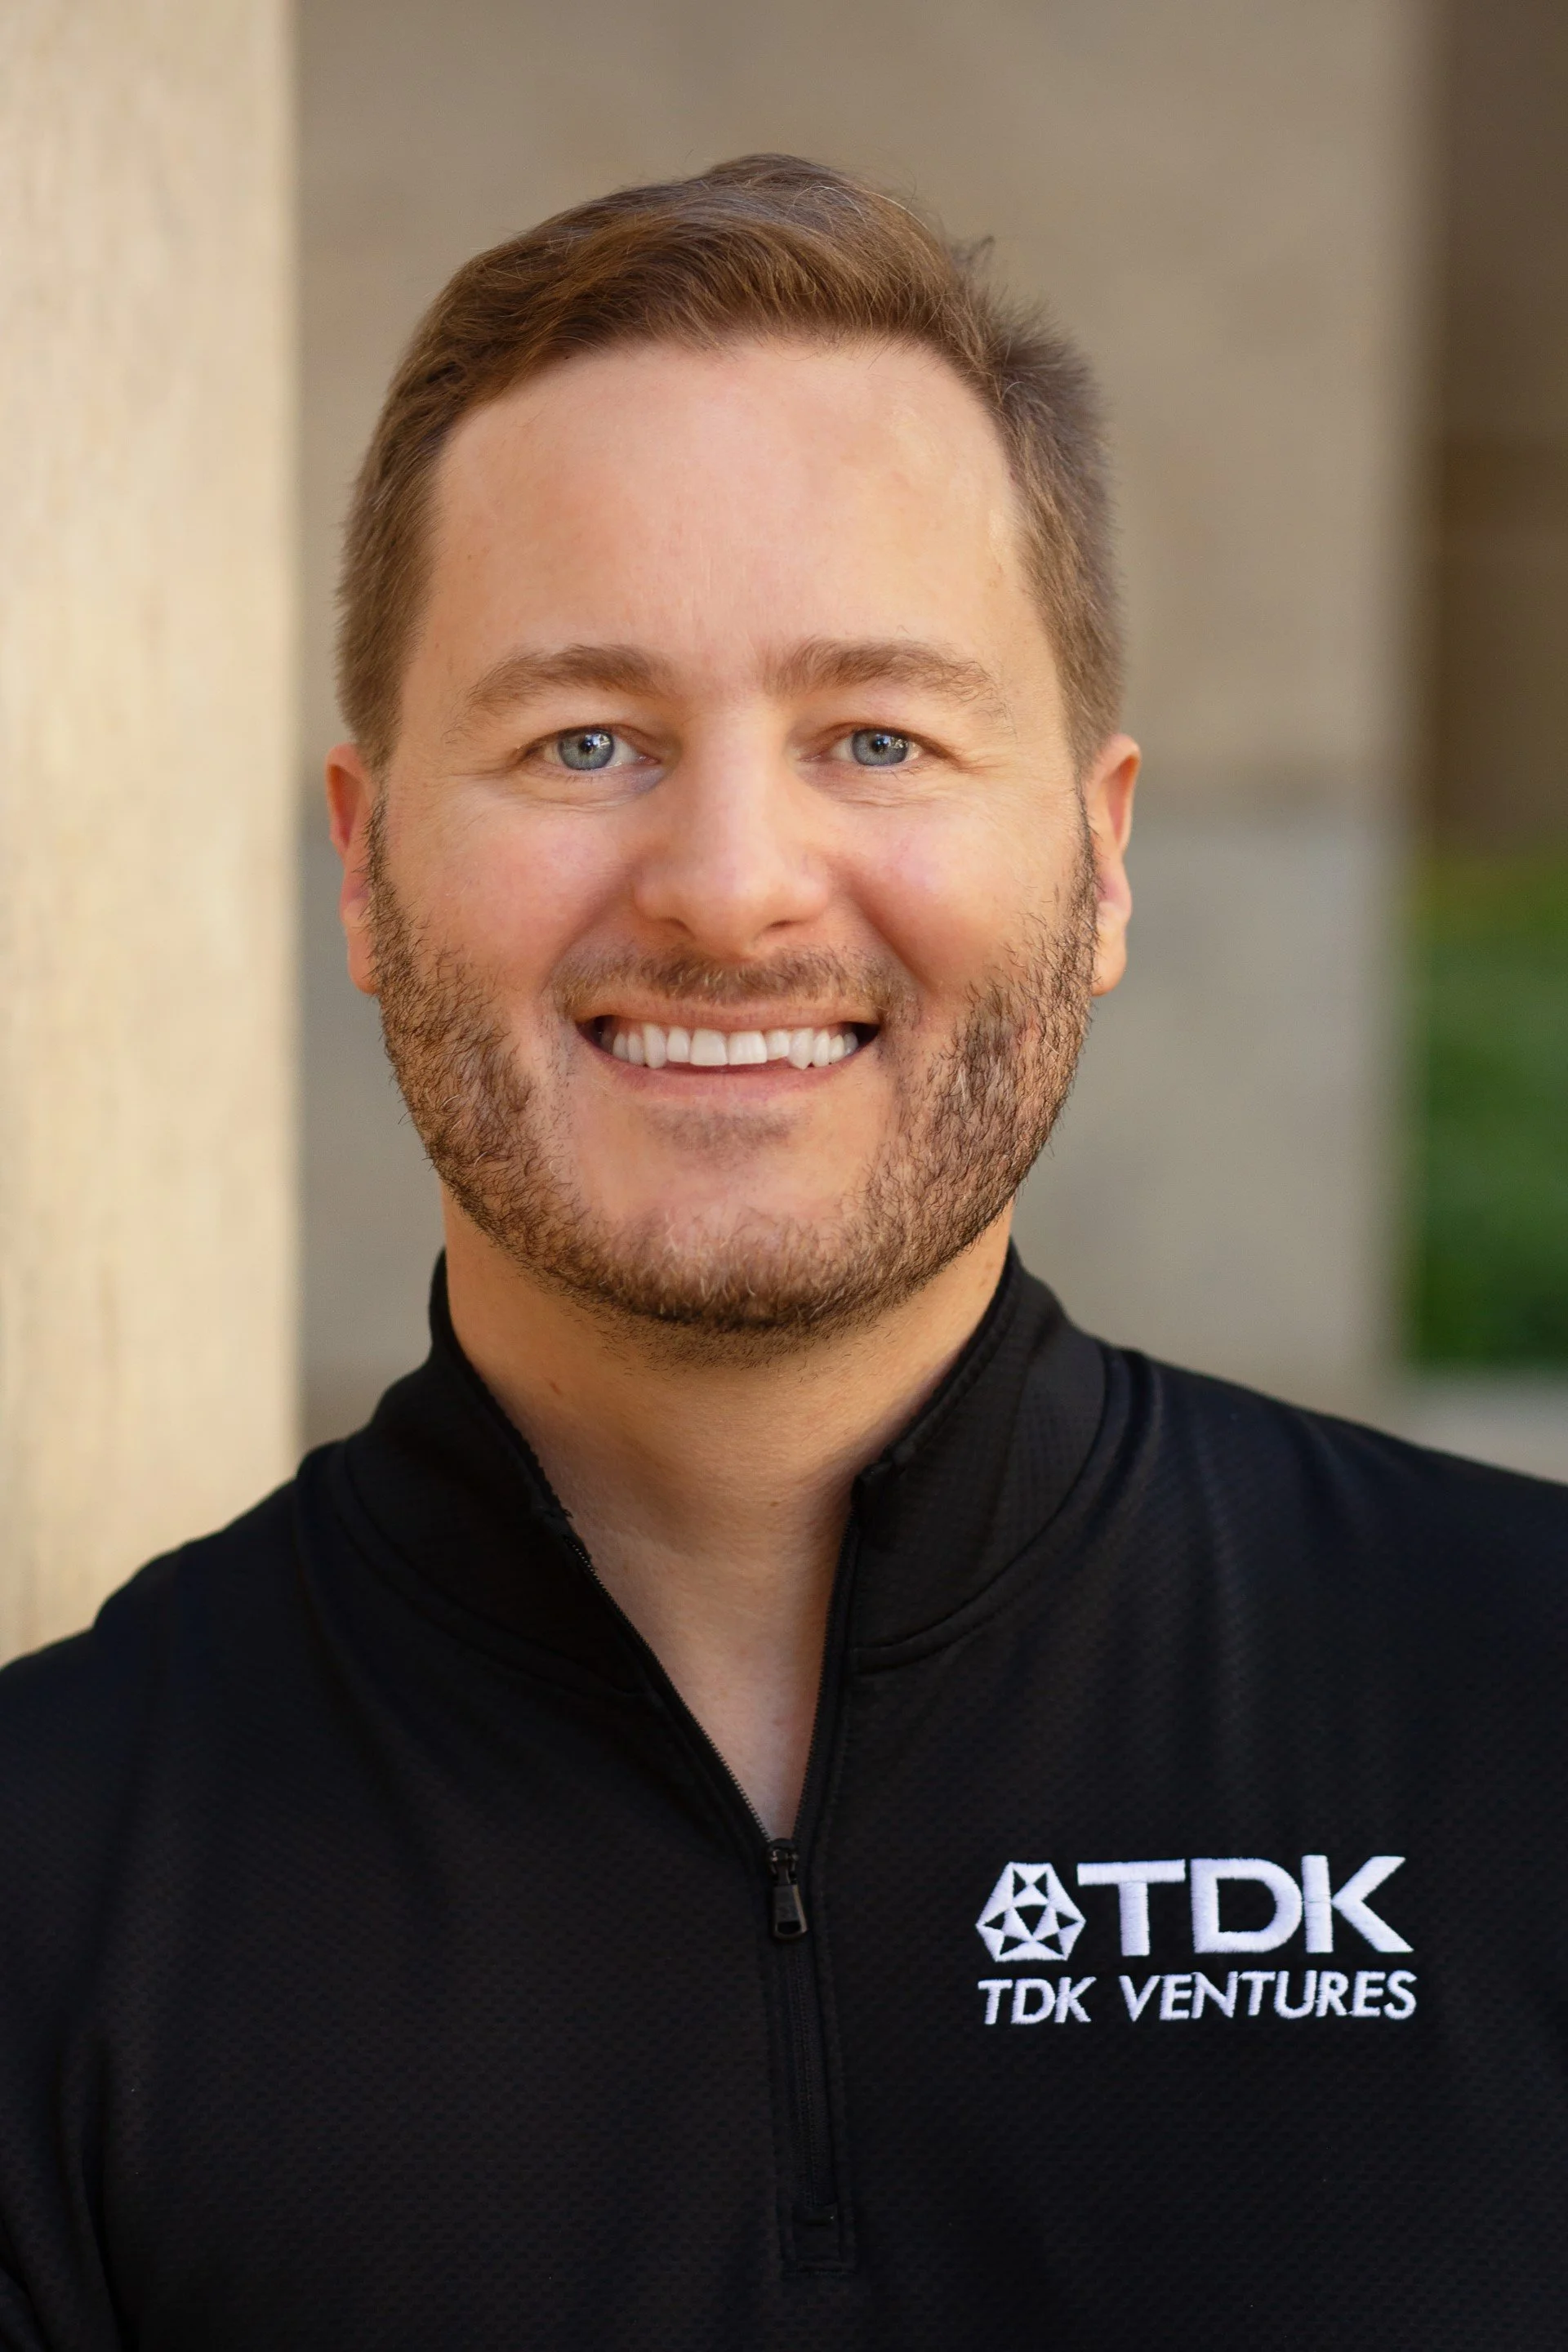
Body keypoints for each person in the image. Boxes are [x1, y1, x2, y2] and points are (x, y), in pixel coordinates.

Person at [0, 154, 1562, 2352]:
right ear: (361, 874)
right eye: (587, 739)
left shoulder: (1524, 1707)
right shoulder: (52, 1879)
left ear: (1101, 861)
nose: (733, 885)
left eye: (875, 736)